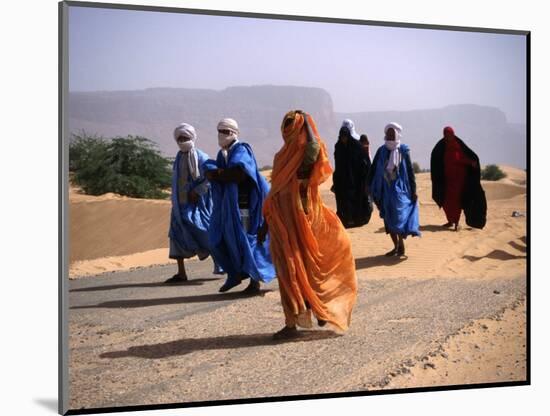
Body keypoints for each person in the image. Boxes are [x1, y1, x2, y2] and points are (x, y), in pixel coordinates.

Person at [260, 110, 357, 340]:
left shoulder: (303, 159)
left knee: (302, 268)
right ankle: (296, 319)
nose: (287, 129)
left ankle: (311, 312)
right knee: (288, 270)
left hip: (301, 221)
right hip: (281, 222)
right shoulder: (281, 156)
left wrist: (308, 126)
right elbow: (275, 191)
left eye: (292, 126)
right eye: (286, 125)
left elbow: (313, 147)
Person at [203, 118, 276, 294]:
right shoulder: (223, 154)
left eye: (227, 131)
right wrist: (216, 172)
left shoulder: (241, 149)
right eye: (220, 131)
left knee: (247, 243)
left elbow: (239, 174)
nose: (223, 135)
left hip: (245, 207)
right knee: (217, 241)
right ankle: (234, 275)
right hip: (228, 208)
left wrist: (217, 173)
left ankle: (254, 282)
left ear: (235, 133)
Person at [166, 123, 224, 284]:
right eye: (180, 138)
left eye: (185, 138)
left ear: (192, 138)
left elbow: (210, 178)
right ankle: (181, 272)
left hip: (198, 206)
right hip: (179, 206)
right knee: (176, 235)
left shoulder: (201, 157)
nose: (183, 141)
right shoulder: (178, 158)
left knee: (206, 232)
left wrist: (196, 191)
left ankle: (222, 264)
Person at [367, 122, 420, 257]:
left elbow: (410, 170)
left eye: (392, 133)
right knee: (387, 218)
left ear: (397, 134)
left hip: (400, 191)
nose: (390, 136)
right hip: (384, 190)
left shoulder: (403, 150)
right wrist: (368, 185)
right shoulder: (381, 150)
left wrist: (413, 190)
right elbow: (373, 169)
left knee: (399, 218)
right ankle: (395, 246)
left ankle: (401, 244)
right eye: (388, 133)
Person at [430, 126, 487, 230]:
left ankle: (456, 222)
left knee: (456, 201)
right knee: (446, 201)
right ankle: (450, 221)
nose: (448, 136)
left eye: (450, 134)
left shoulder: (458, 145)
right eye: (446, 134)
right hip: (447, 180)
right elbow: (436, 160)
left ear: (453, 134)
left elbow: (463, 157)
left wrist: (471, 162)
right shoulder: (441, 146)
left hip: (459, 180)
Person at [332, 119, 372, 228]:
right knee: (343, 200)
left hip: (356, 178)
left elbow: (365, 162)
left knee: (356, 198)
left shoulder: (356, 146)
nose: (344, 139)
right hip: (342, 178)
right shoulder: (338, 147)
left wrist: (365, 177)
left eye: (345, 136)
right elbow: (337, 162)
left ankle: (357, 218)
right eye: (342, 136)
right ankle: (346, 219)